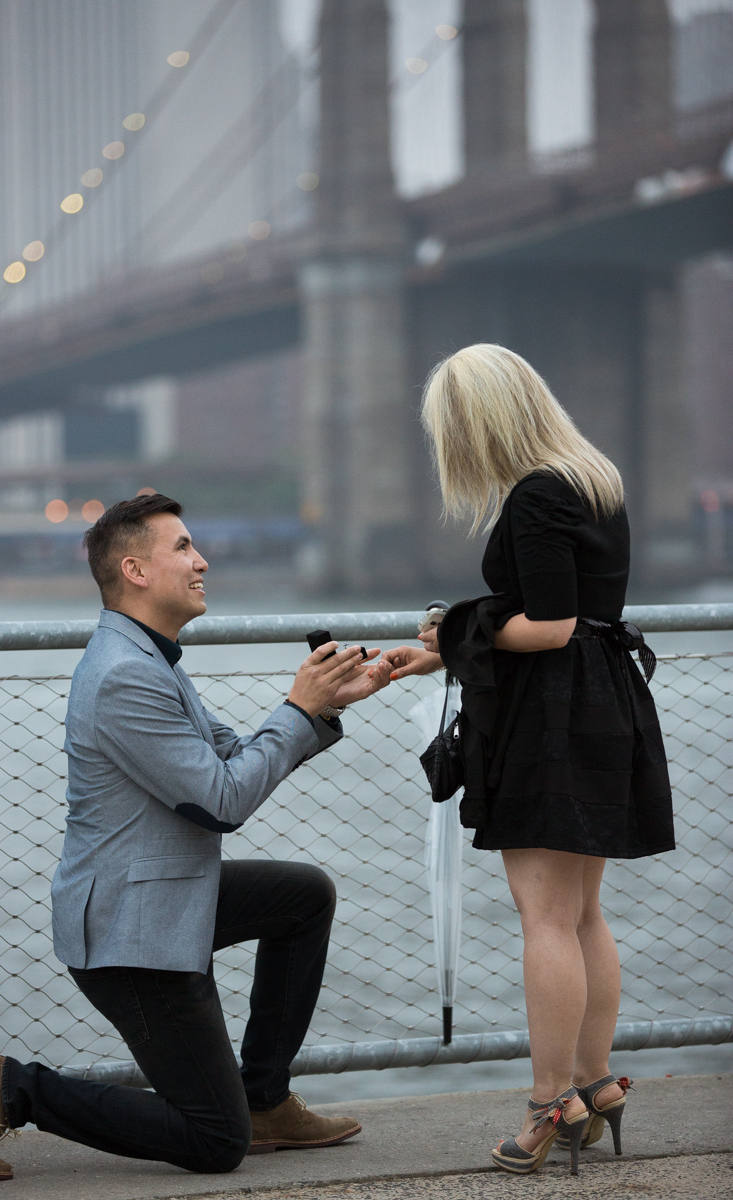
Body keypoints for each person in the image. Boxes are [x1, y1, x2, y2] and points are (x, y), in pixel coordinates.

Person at [0, 492, 391, 1182]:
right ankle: (13, 1087)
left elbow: (232, 755)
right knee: (216, 1142)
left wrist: (322, 704)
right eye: (184, 547)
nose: (202, 560)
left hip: (160, 895)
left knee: (303, 897)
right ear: (134, 570)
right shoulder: (125, 675)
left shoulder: (152, 659)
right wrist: (296, 709)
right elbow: (221, 801)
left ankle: (265, 1100)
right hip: (132, 935)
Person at [384, 345, 674, 1178]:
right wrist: (447, 650)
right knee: (582, 911)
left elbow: (547, 626)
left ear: (479, 423)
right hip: (600, 701)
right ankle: (594, 1083)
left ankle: (549, 1103)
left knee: (544, 915)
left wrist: (457, 629)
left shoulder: (537, 492)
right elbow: (576, 616)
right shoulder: (593, 478)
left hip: (553, 717)